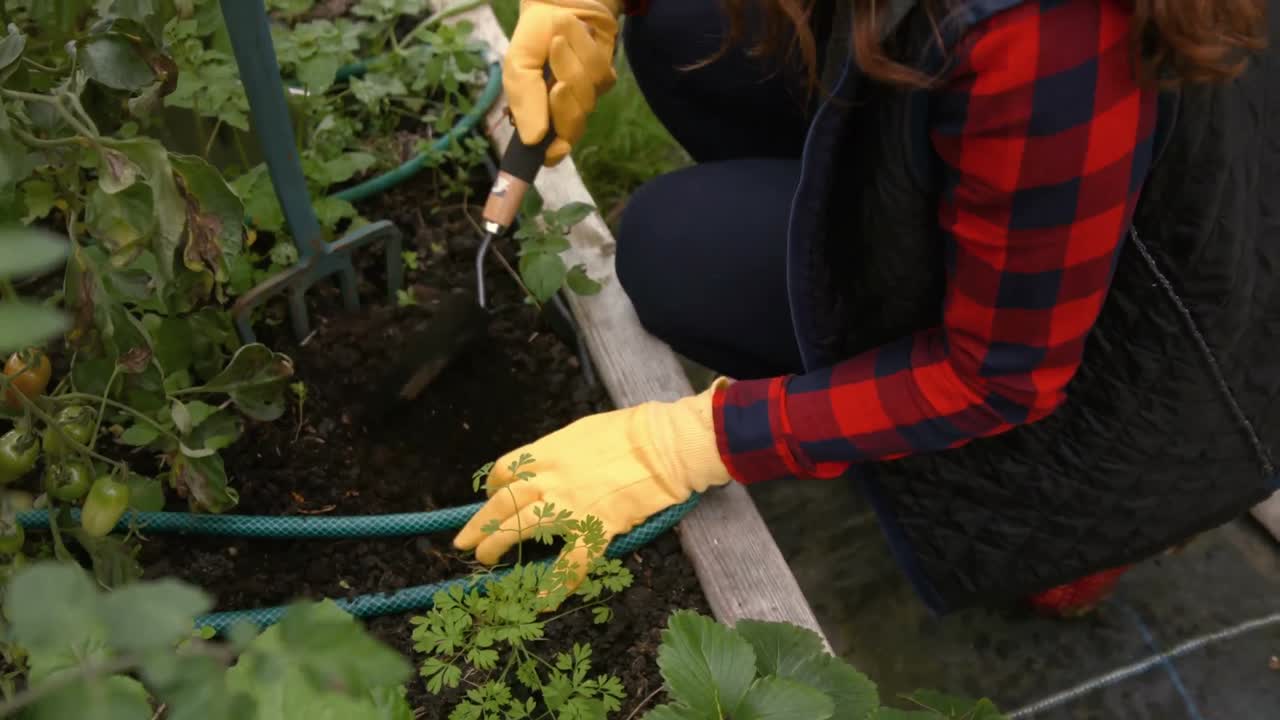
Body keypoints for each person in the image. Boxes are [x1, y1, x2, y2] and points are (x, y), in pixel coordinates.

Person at [454, 0, 1279, 617]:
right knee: (684, 23)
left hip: (1123, 339)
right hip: (998, 139)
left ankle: (1077, 532)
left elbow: (1001, 376)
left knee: (675, 252)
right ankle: (841, 290)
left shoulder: (1052, 31)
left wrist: (690, 441)